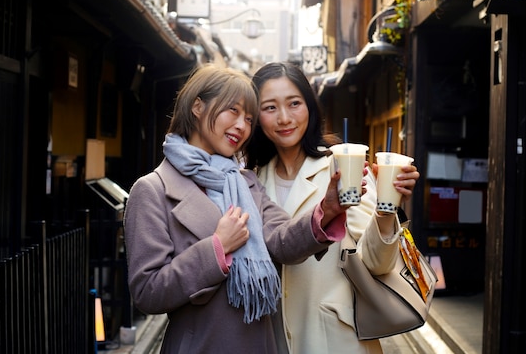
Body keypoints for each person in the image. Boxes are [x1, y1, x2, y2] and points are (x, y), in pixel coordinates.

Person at [123, 65, 354, 354]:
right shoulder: (153, 189)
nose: (242, 126)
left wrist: (327, 211)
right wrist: (217, 249)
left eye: (248, 118)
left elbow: (282, 240)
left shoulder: (245, 182)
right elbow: (147, 292)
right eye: (232, 111)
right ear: (197, 106)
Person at [245, 62, 421, 354]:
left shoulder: (343, 168)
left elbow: (376, 263)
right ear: (257, 117)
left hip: (335, 339)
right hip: (274, 339)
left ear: (310, 108)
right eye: (270, 107)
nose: (285, 118)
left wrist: (387, 209)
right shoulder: (252, 181)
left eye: (294, 103)